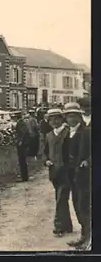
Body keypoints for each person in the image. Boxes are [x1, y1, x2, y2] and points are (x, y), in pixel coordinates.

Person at [62, 102, 91, 250]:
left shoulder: (86, 131)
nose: (70, 118)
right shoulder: (68, 132)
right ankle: (84, 236)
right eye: (68, 116)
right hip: (71, 174)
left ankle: (90, 239)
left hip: (84, 174)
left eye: (73, 115)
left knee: (84, 205)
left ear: (79, 116)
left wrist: (87, 161)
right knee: (76, 205)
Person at [42, 108, 72, 236]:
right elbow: (44, 152)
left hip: (66, 172)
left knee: (61, 198)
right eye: (51, 119)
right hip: (54, 172)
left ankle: (58, 226)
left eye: (56, 118)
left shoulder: (68, 133)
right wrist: (46, 161)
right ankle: (67, 225)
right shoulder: (48, 135)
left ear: (61, 119)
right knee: (60, 199)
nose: (53, 121)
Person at [15, 111, 30, 181]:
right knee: (22, 160)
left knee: (22, 160)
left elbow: (24, 132)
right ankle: (24, 176)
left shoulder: (20, 123)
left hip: (21, 144)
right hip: (23, 143)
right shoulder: (22, 122)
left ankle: (24, 177)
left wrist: (21, 141)